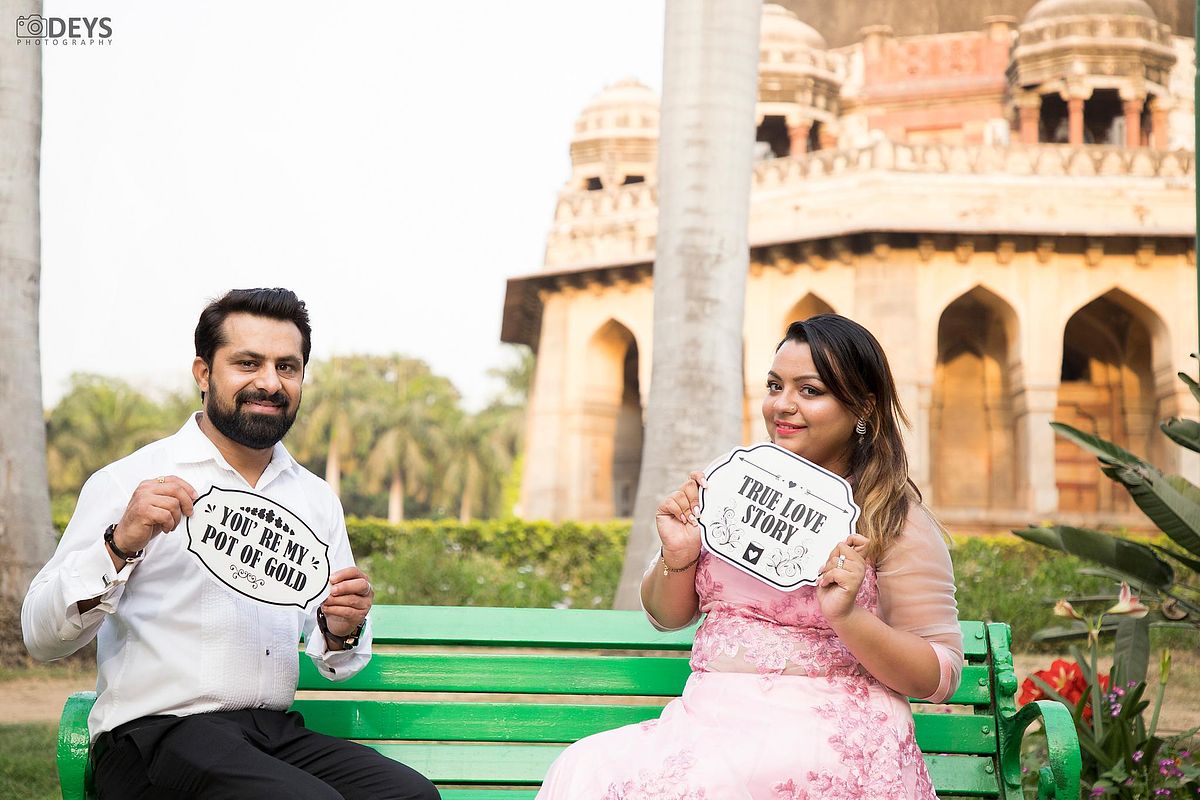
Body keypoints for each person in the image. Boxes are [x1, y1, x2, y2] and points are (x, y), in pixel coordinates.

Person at [23, 288, 439, 800]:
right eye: (247, 363)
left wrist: (341, 628)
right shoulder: (128, 481)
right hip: (153, 736)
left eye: (287, 367)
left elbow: (338, 661)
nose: (270, 382)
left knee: (409, 796)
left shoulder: (315, 499)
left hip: (269, 734)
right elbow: (41, 637)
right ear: (203, 374)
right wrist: (118, 544)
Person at [536, 314, 962, 799]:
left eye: (810, 391)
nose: (783, 405)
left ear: (862, 407)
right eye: (775, 386)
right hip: (707, 722)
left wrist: (848, 617)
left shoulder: (893, 517)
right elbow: (666, 616)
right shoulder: (734, 489)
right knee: (584, 768)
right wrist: (679, 556)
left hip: (824, 734)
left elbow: (940, 675)